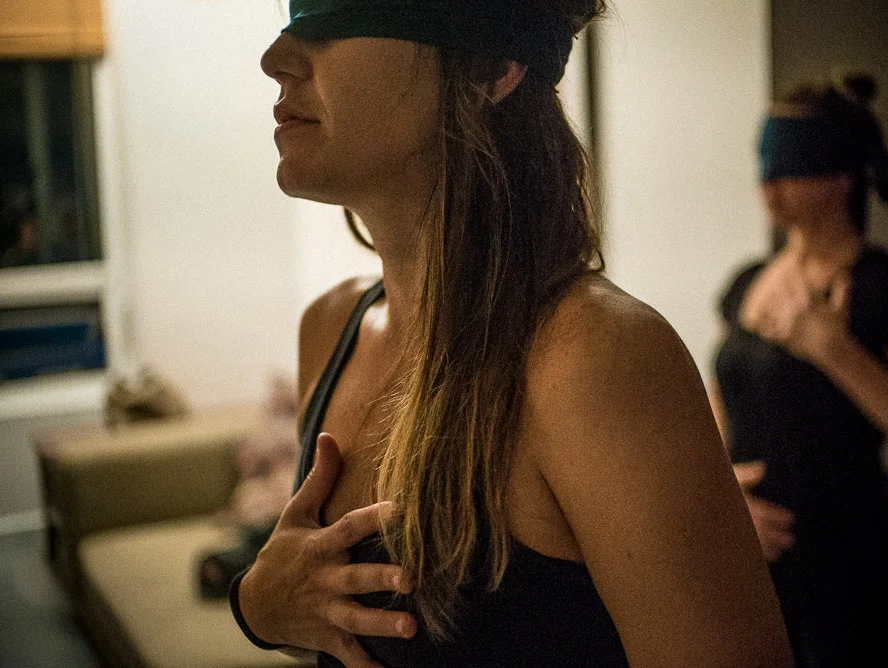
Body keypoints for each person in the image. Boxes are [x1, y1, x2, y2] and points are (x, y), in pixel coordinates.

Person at [229, 1, 794, 666]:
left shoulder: (592, 359)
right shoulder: (330, 327)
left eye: (337, 14)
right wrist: (260, 607)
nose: (276, 59)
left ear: (491, 67)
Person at [712, 73, 888, 667]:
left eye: (789, 166)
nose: (768, 185)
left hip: (851, 575)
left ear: (841, 176)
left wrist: (834, 350)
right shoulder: (747, 283)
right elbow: (721, 411)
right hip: (754, 571)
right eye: (764, 165)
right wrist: (725, 504)